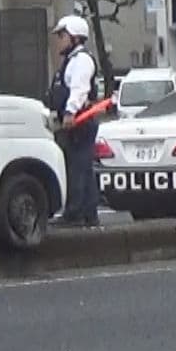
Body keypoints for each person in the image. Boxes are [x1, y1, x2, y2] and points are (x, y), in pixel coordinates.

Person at [49, 14, 104, 227]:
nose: (59, 40)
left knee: (77, 167)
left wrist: (70, 113)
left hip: (80, 121)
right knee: (83, 167)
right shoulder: (72, 60)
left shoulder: (81, 60)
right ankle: (89, 214)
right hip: (75, 121)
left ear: (74, 37)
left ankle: (75, 214)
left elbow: (79, 90)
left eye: (62, 35)